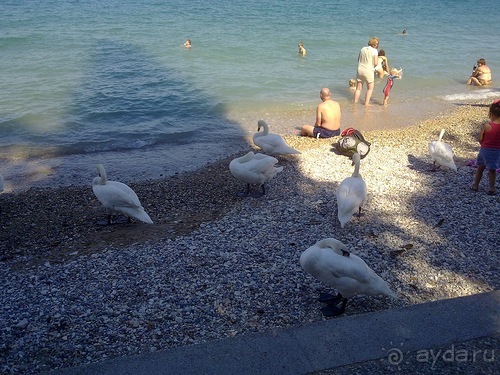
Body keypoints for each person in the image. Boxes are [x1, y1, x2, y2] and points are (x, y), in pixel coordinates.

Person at [471, 100, 500, 195]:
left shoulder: (488, 126)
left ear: (491, 114)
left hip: (485, 150)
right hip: (496, 152)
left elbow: (480, 138)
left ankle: (475, 185)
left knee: (480, 168)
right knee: (492, 170)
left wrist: (482, 143)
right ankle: (491, 188)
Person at [353, 37, 379, 106]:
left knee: (358, 88)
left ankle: (355, 103)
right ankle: (366, 103)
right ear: (373, 44)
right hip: (368, 70)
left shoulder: (363, 49)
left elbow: (358, 59)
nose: (377, 45)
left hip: (360, 69)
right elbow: (376, 63)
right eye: (377, 44)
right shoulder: (374, 51)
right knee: (370, 88)